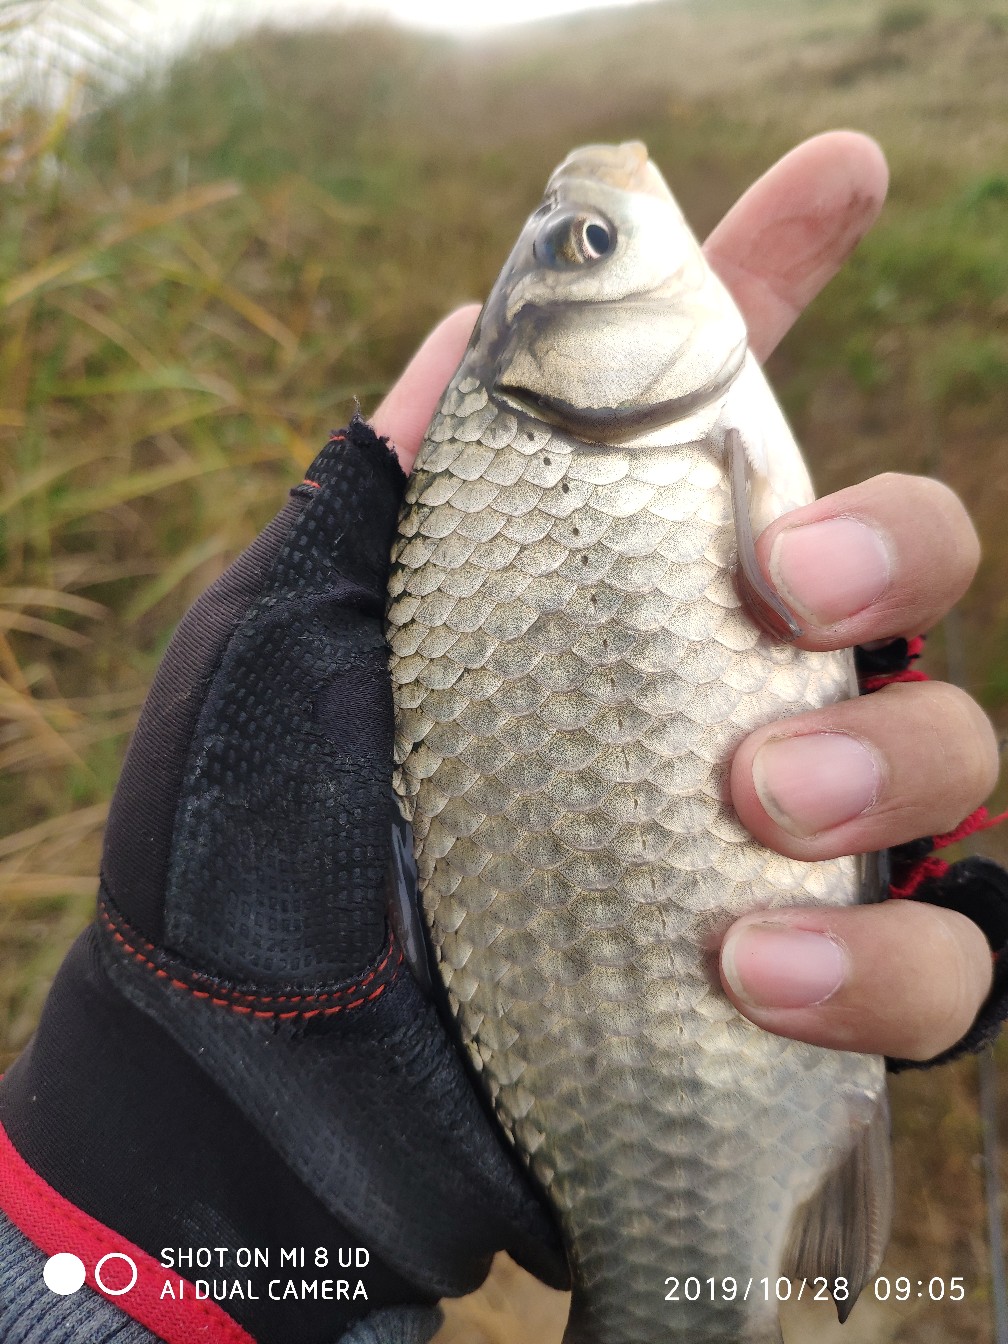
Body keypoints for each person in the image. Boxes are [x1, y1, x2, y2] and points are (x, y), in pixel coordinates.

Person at [0, 131, 1003, 1344]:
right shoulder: (542, 453)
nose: (609, 211)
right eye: (591, 244)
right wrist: (257, 1138)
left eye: (586, 242)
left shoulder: (550, 449)